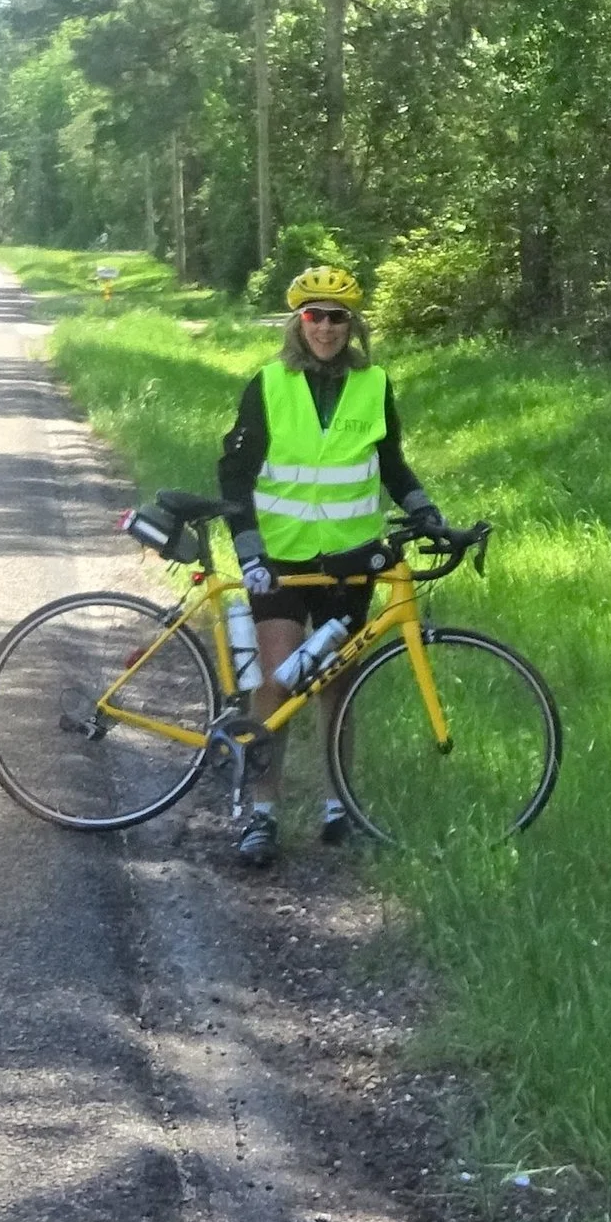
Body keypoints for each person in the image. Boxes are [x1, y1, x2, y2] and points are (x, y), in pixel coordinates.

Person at [216, 263, 444, 867]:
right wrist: (248, 549)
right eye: (314, 316)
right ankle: (261, 815)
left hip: (350, 559)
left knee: (338, 685)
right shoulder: (268, 384)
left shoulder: (374, 384)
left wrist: (425, 510)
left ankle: (339, 808)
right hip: (281, 559)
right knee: (276, 681)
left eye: (337, 317)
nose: (325, 327)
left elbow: (391, 463)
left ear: (352, 324)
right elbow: (235, 472)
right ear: (298, 322)